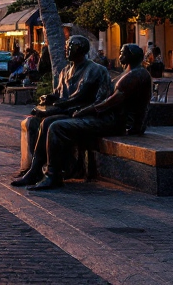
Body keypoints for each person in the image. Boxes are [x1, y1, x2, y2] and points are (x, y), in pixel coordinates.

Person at [17, 44, 152, 191]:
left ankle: (53, 176)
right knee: (48, 121)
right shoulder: (127, 72)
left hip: (118, 124)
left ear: (132, 55)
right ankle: (35, 171)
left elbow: (110, 102)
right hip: (107, 117)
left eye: (122, 53)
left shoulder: (137, 74)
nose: (119, 55)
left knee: (57, 127)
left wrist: (86, 110)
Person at [13, 35, 112, 185]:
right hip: (69, 114)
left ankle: (53, 174)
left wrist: (57, 109)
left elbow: (101, 100)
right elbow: (60, 95)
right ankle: (35, 170)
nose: (66, 50)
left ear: (80, 50)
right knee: (34, 121)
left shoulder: (97, 70)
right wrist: (49, 97)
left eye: (69, 47)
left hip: (87, 115)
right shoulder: (66, 70)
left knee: (51, 124)